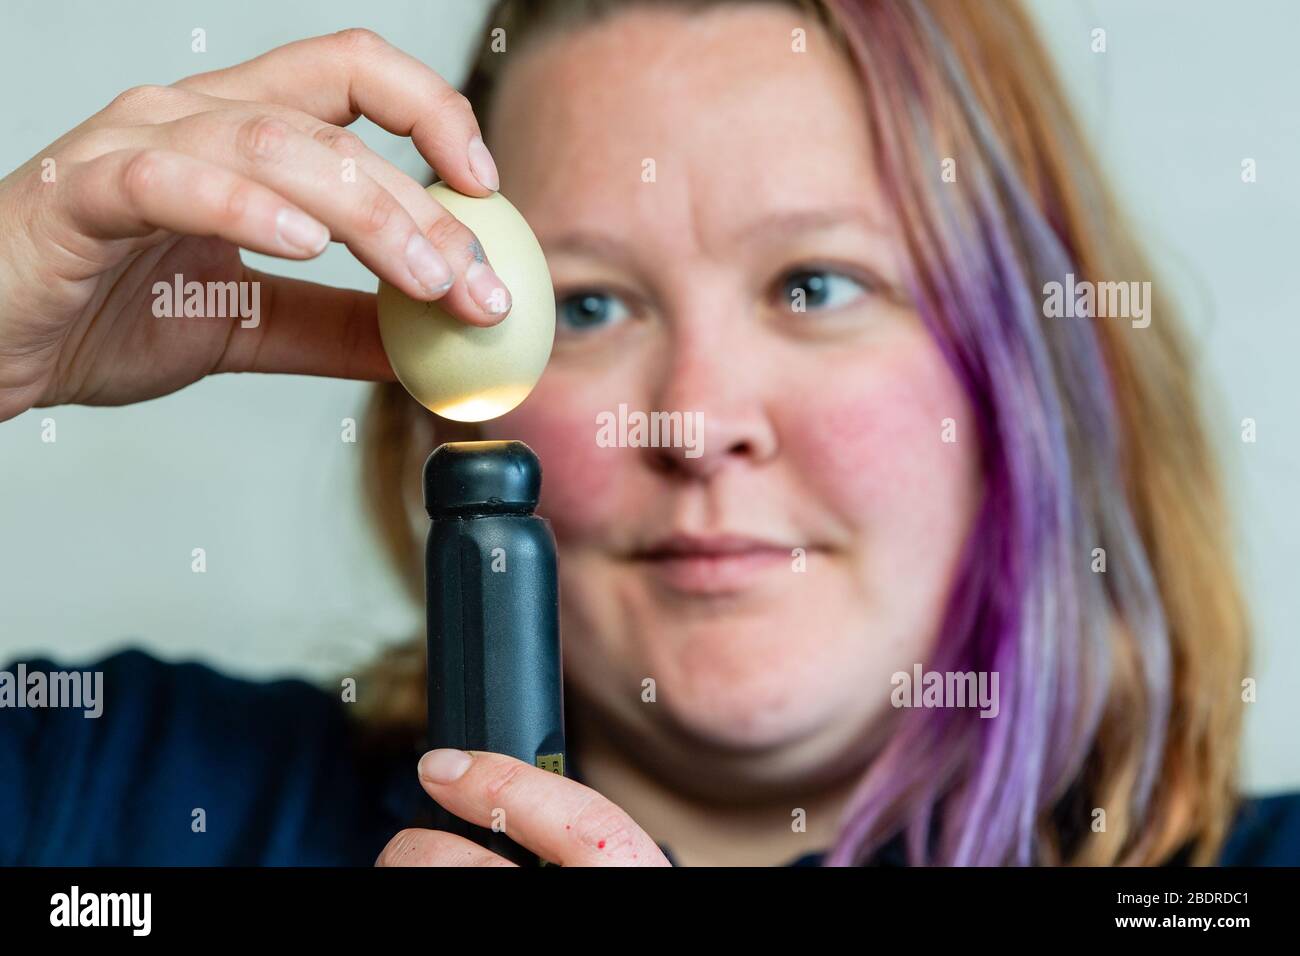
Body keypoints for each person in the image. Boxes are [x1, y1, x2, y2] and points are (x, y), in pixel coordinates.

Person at [2, 0, 1297, 867]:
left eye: (813, 285)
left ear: (1020, 368)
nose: (695, 420)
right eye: (588, 304)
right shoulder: (124, 799)